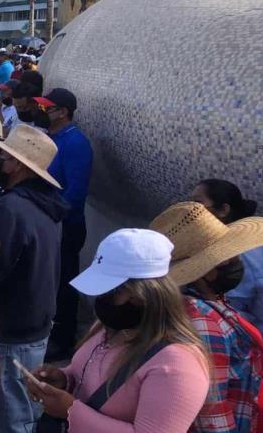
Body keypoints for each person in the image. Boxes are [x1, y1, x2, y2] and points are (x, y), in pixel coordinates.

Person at [27, 229, 210, 433]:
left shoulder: (177, 365)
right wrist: (64, 380)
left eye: (110, 292)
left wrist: (71, 412)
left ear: (145, 295)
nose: (101, 299)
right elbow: (91, 376)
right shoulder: (109, 329)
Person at [0, 125, 67, 433]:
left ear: (16, 164)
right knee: (28, 405)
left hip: (11, 328)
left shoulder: (12, 207)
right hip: (38, 320)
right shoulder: (48, 204)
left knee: (11, 415)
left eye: (3, 157)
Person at [150, 202, 263, 431]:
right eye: (227, 258)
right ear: (205, 272)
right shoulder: (204, 323)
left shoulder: (207, 305)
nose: (237, 261)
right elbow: (212, 411)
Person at [36, 88, 94, 361]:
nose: (42, 112)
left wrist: (47, 214)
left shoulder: (75, 144)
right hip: (50, 220)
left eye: (48, 108)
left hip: (65, 226)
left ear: (63, 111)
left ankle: (64, 338)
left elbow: (75, 192)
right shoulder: (51, 138)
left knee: (63, 284)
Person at [191, 179, 263, 331]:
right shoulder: (201, 244)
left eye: (197, 204)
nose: (190, 210)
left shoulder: (245, 253)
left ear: (223, 210)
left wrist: (206, 293)